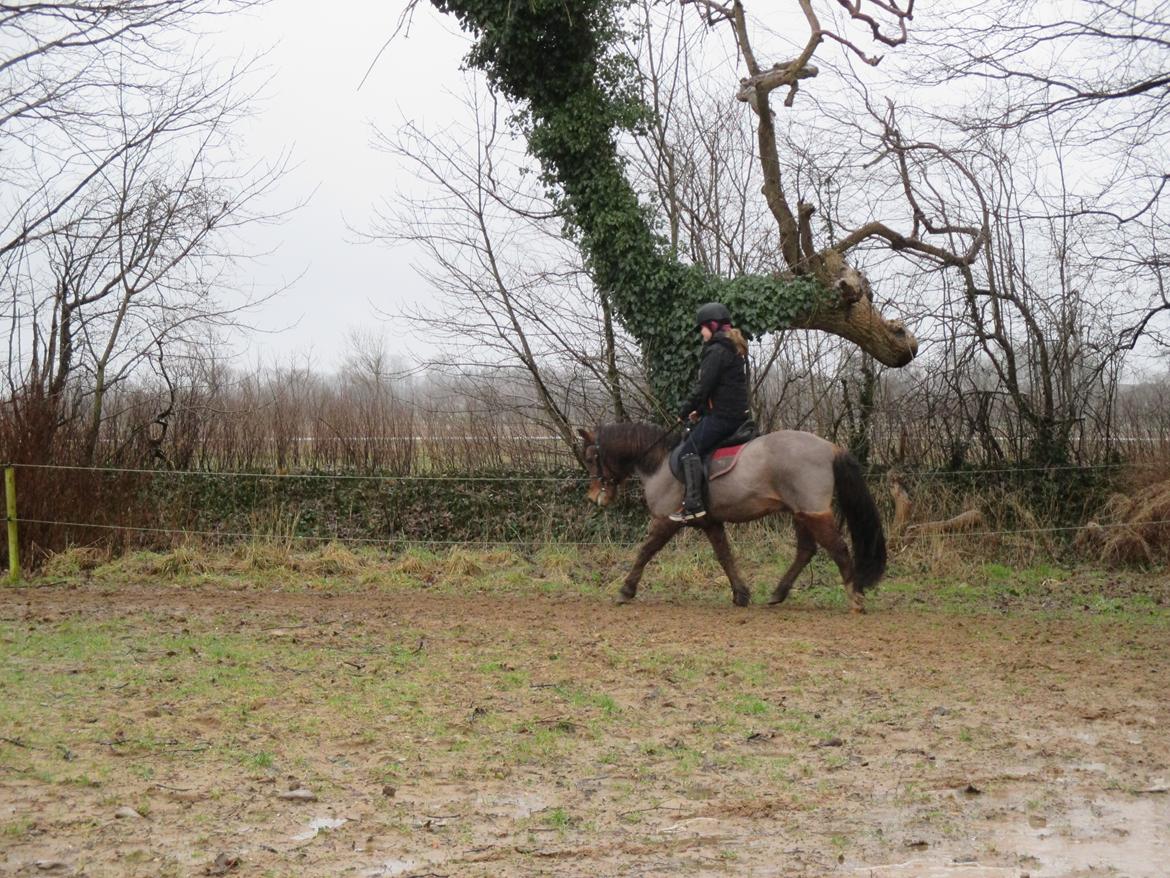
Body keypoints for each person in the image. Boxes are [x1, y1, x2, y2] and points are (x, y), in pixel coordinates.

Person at [670, 302, 752, 522]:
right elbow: (720, 388)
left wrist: (684, 410)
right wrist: (701, 411)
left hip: (724, 417)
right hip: (735, 414)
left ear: (712, 326)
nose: (701, 333)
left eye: (702, 328)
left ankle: (694, 505)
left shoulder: (716, 350)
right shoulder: (731, 347)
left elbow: (703, 387)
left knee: (688, 450)